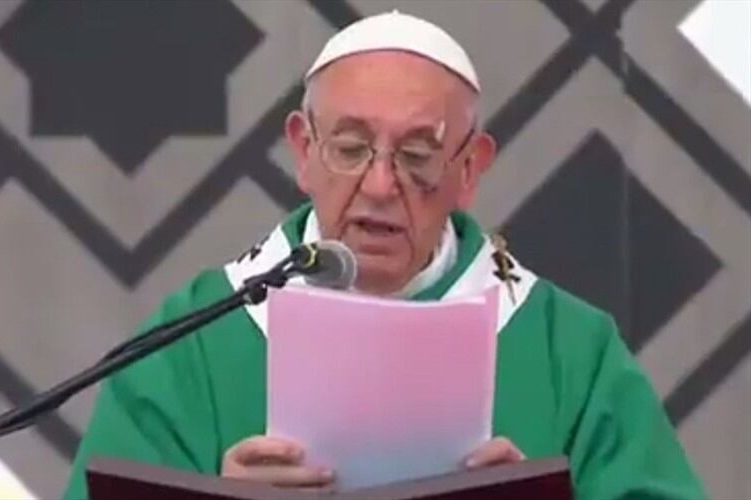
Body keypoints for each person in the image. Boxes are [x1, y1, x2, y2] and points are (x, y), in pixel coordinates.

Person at [63, 11, 706, 500]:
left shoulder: (568, 350)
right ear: (302, 149)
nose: (379, 185)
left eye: (419, 155)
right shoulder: (194, 340)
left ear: (470, 167)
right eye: (349, 146)